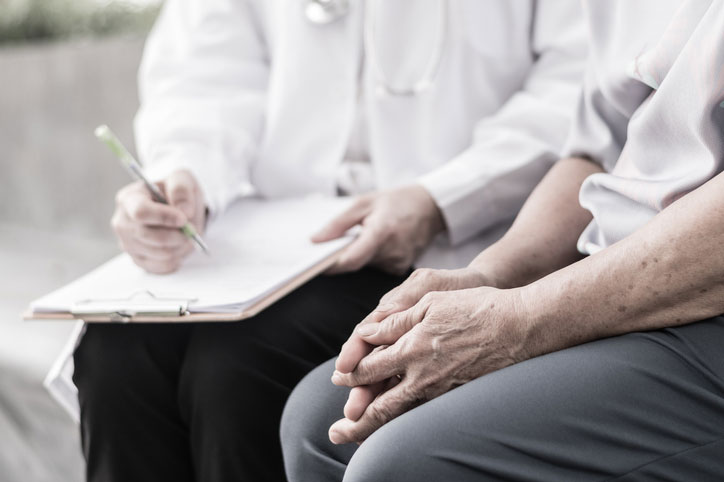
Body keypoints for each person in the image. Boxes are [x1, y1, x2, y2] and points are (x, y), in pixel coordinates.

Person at [55, 1, 586, 481]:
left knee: (239, 367)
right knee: (116, 350)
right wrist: (186, 174)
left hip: (456, 240)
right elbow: (206, 71)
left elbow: (576, 83)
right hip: (269, 236)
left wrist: (442, 197)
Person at [281, 0, 724, 480]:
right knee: (318, 418)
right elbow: (597, 154)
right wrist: (491, 276)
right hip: (610, 274)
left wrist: (523, 319)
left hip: (705, 309)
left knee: (406, 464)